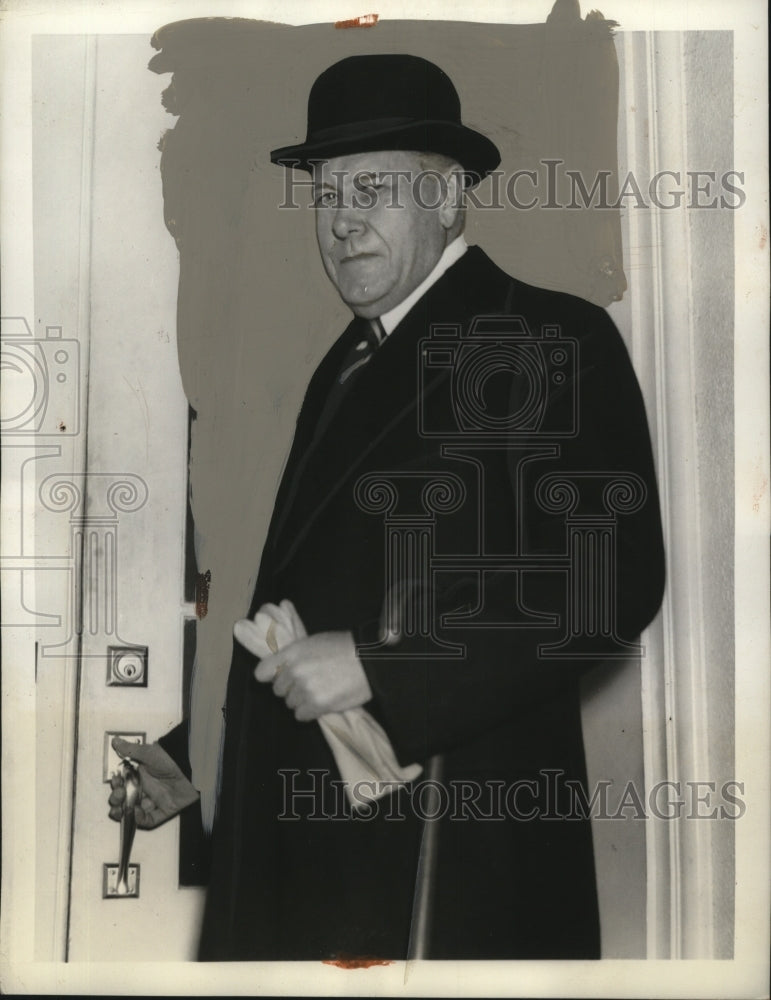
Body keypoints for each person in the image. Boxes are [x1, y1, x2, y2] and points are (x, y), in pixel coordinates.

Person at [109, 53, 665, 961]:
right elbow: (305, 612)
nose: (341, 221)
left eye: (373, 187)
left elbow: (611, 587)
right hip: (307, 867)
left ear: (447, 199)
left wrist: (381, 669)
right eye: (325, 194)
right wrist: (169, 770)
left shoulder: (545, 335)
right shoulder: (346, 362)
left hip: (444, 864)